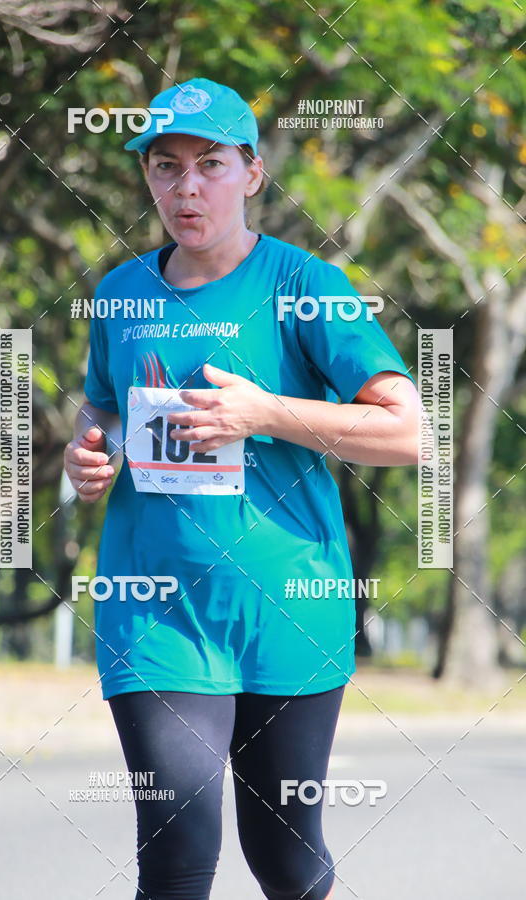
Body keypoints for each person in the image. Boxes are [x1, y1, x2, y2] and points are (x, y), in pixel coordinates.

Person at [64, 77, 420, 900]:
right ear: (148, 176)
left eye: (210, 165)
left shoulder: (307, 286)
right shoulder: (119, 293)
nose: (187, 188)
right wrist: (92, 452)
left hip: (288, 604)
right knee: (178, 846)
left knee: (285, 856)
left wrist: (261, 413)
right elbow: (106, 404)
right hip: (154, 608)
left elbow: (408, 432)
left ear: (253, 174)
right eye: (166, 166)